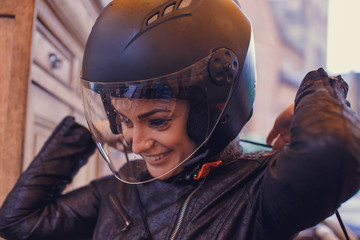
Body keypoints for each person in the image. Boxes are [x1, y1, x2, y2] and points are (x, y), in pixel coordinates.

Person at [0, 0, 360, 239]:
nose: (136, 145)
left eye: (156, 121)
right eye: (123, 120)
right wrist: (83, 135)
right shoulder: (123, 191)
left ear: (215, 109)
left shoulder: (258, 195)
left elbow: (336, 151)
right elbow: (17, 221)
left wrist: (320, 88)